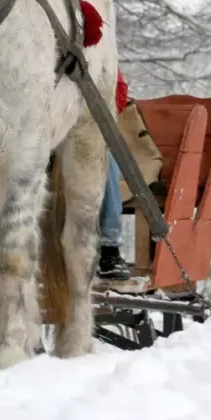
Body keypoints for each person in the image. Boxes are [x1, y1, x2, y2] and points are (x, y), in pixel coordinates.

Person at [97, 70, 133, 281]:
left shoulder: (98, 44)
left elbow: (118, 89)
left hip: (87, 124)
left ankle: (108, 248)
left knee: (104, 156)